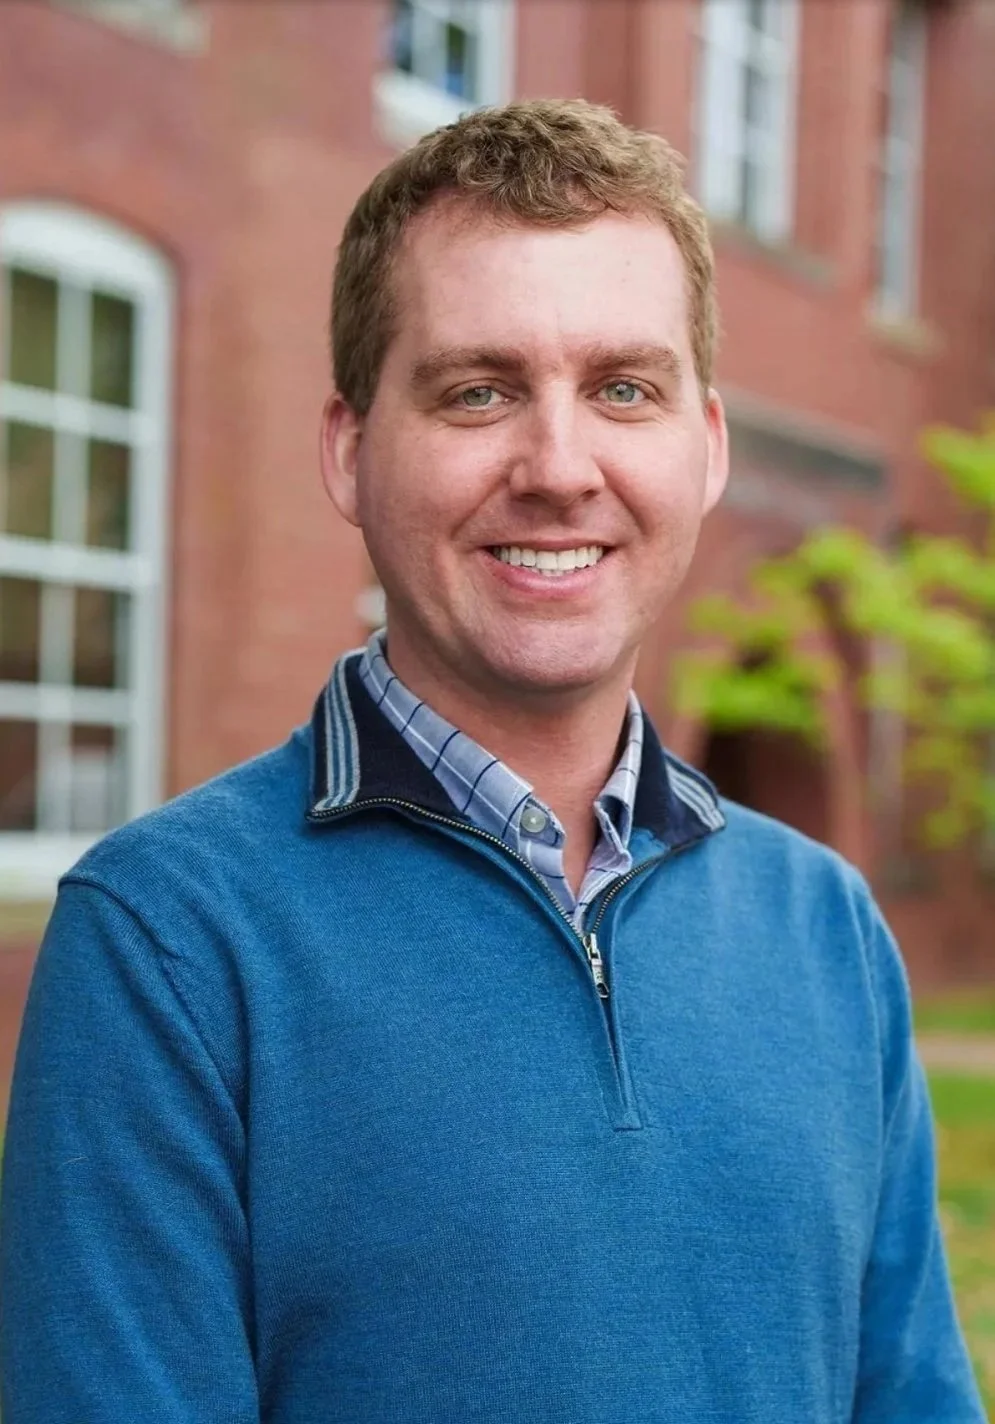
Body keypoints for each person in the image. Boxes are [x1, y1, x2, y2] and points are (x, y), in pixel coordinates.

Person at [0, 98, 984, 1424]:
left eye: (622, 390)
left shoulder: (825, 932)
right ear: (350, 452)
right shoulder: (170, 944)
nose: (557, 466)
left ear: (705, 447)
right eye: (479, 391)